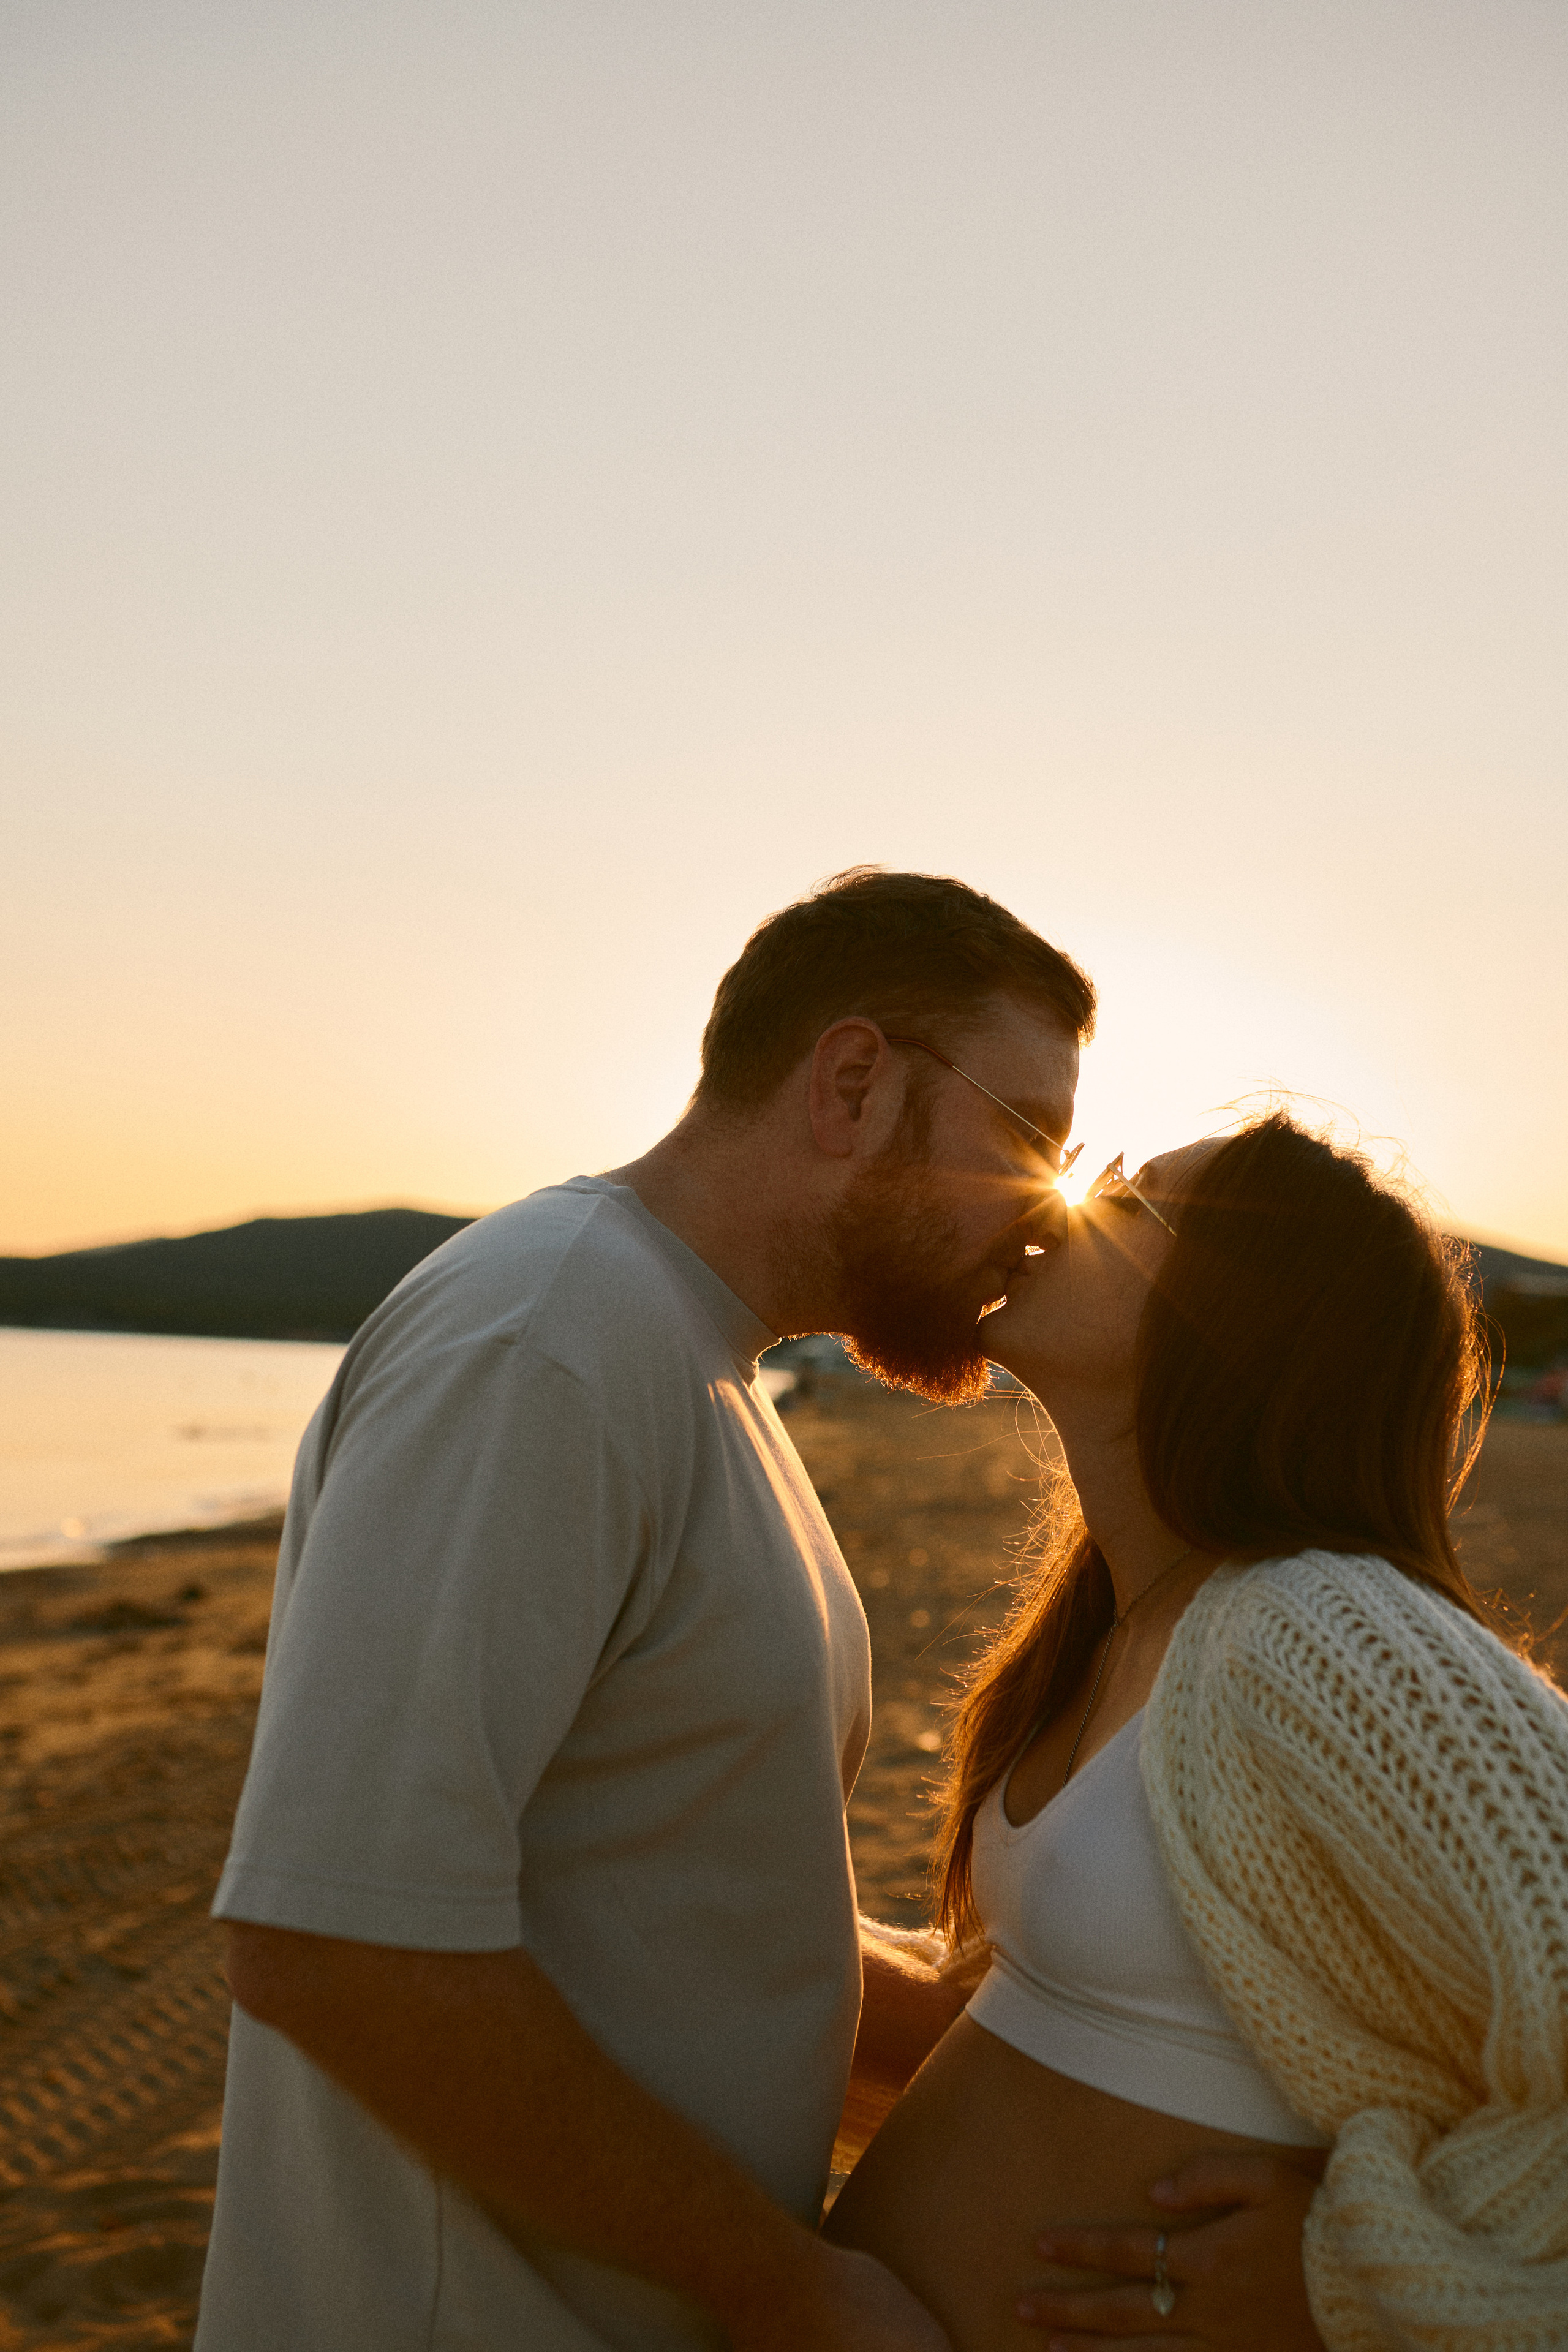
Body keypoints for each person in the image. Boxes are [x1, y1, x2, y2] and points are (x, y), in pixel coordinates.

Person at [196, 870, 1313, 2351]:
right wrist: (796, 2292)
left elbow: (706, 1914)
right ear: (852, 1079)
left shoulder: (699, 1365)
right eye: (1031, 1139)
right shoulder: (546, 1342)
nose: (1042, 1216)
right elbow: (337, 1944)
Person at [823, 1115, 1568, 2350]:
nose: (1064, 1200)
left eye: (1131, 1196)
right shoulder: (1114, 1631)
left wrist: (1362, 2283)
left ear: (1242, 1319)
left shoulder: (1324, 1627)